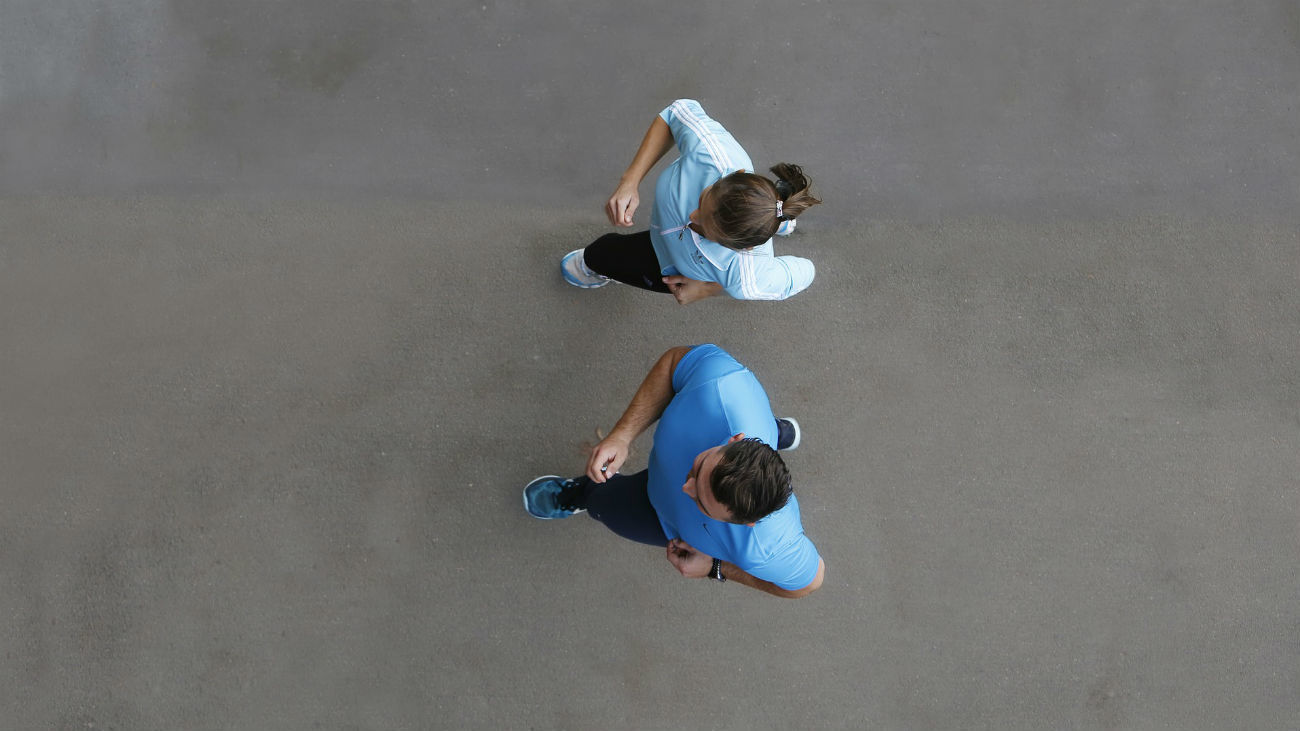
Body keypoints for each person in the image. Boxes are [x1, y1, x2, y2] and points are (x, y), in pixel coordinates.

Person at [522, 344, 825, 598]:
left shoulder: (770, 547)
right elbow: (673, 365)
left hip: (665, 520)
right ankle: (773, 431)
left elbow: (809, 583)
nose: (685, 488)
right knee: (756, 420)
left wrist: (716, 568)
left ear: (748, 524)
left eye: (701, 503)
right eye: (697, 470)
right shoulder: (722, 384)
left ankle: (585, 495)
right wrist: (622, 435)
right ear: (735, 440)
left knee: (601, 503)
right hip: (735, 417)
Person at [560, 99, 823, 305]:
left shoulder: (749, 277)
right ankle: (776, 222)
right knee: (605, 253)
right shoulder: (715, 153)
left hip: (672, 265)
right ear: (736, 175)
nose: (693, 216)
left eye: (706, 230)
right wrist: (630, 180)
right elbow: (676, 112)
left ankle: (775, 224)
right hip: (692, 245)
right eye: (704, 198)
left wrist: (708, 289)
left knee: (600, 255)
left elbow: (805, 271)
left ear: (740, 249)